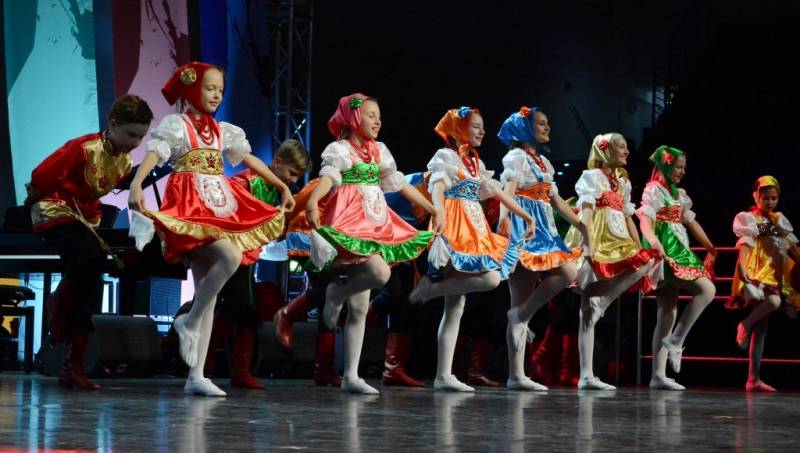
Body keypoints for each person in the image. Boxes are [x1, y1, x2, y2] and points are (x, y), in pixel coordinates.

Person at [128, 62, 294, 396]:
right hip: (191, 204)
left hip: (218, 203)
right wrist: (136, 183)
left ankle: (197, 375)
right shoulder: (178, 125)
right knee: (230, 256)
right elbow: (156, 154)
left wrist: (281, 185)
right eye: (209, 88)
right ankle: (188, 321)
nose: (217, 94)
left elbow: (249, 160)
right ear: (192, 89)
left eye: (220, 89)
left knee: (209, 289)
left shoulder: (221, 131)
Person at [305, 93, 442, 394]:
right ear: (353, 118)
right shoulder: (340, 150)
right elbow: (328, 178)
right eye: (370, 115)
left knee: (359, 308)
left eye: (379, 116)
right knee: (380, 273)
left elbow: (399, 184)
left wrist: (432, 208)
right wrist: (314, 201)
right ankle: (336, 293)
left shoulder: (379, 151)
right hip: (351, 221)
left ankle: (351, 376)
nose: (377, 121)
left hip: (375, 221)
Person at [27, 94, 154, 390]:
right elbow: (41, 176)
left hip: (85, 219)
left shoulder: (124, 161)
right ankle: (61, 310)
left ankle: (73, 361)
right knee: (91, 256)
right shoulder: (83, 148)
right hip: (54, 210)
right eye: (131, 134)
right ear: (113, 124)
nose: (136, 143)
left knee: (91, 276)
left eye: (141, 137)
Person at [408, 106, 534, 392]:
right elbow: (437, 188)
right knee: (487, 281)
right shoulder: (446, 157)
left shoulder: (475, 162)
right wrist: (439, 216)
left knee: (456, 306)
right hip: (455, 224)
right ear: (459, 129)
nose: (482, 131)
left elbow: (496, 191)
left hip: (474, 227)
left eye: (482, 126)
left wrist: (525, 215)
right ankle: (432, 292)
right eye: (476, 126)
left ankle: (443, 375)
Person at [496, 106, 586, 391]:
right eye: (541, 124)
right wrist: (504, 220)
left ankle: (522, 319)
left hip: (545, 230)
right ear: (525, 129)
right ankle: (516, 375)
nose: (547, 128)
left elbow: (556, 200)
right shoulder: (516, 157)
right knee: (519, 299)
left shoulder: (543, 162)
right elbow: (507, 192)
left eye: (548, 123)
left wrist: (581, 225)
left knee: (566, 273)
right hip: (526, 227)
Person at [563, 133, 659, 390]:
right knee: (587, 307)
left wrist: (638, 245)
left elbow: (628, 217)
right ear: (605, 151)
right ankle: (586, 375)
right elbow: (586, 212)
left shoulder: (622, 182)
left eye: (627, 146)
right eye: (621, 147)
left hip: (619, 239)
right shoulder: (592, 177)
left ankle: (603, 302)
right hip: (598, 237)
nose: (626, 151)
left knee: (646, 260)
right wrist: (587, 245)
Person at [637, 146, 717, 390]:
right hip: (668, 249)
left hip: (678, 246)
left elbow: (691, 222)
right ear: (666, 166)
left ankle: (657, 375)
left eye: (683, 167)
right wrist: (653, 241)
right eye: (678, 167)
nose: (682, 171)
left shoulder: (679, 194)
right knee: (707, 290)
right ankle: (677, 340)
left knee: (667, 311)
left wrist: (710, 248)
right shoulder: (654, 189)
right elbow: (645, 220)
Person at [726, 175, 800, 392]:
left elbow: (792, 247)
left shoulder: (780, 220)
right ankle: (744, 324)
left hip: (775, 274)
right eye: (765, 198)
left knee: (762, 327)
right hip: (757, 272)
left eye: (773, 198)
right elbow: (744, 247)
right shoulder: (749, 219)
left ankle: (753, 378)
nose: (769, 202)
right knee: (773, 303)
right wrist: (743, 275)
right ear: (756, 196)